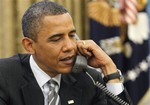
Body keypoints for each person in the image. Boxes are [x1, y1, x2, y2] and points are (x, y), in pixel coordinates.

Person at [0, 1, 132, 105]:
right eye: (56, 39)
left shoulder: (89, 80)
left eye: (72, 35)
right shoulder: (4, 76)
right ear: (29, 45)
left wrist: (109, 70)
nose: (69, 46)